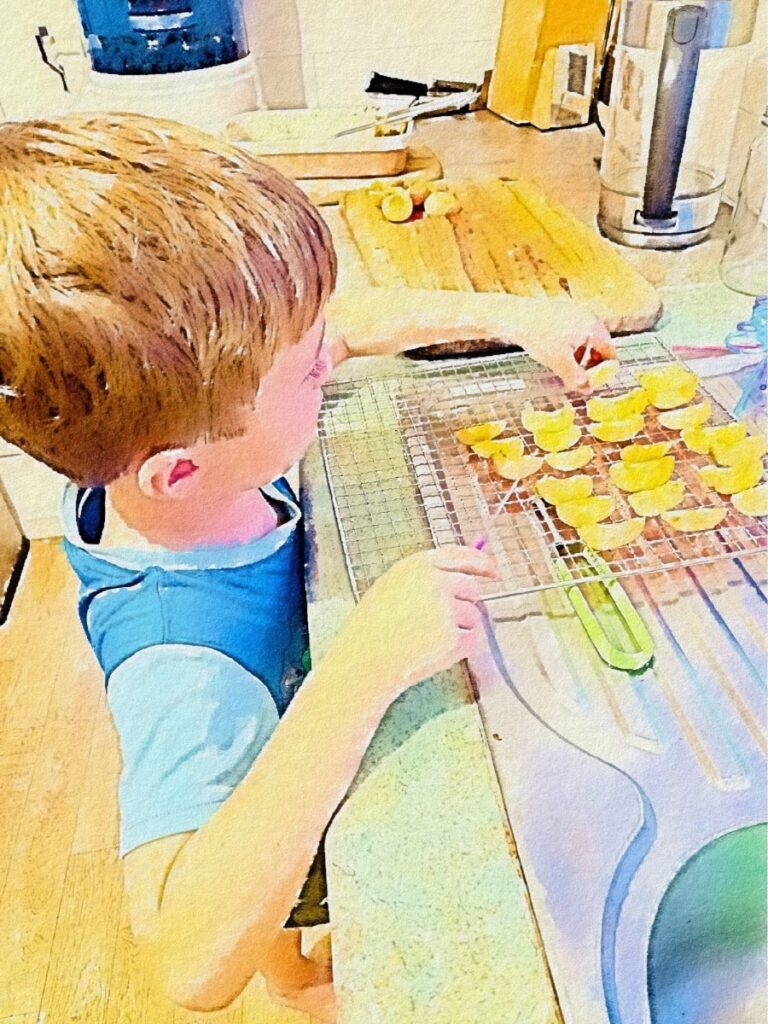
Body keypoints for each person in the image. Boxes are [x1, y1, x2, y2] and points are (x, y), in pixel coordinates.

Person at [0, 113, 613, 1021]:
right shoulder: (183, 667)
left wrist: (506, 316)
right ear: (179, 469)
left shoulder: (165, 471)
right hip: (276, 783)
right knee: (284, 943)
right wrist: (358, 670)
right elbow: (187, 963)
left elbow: (333, 331)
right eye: (308, 376)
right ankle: (300, 979)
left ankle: (296, 960)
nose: (331, 357)